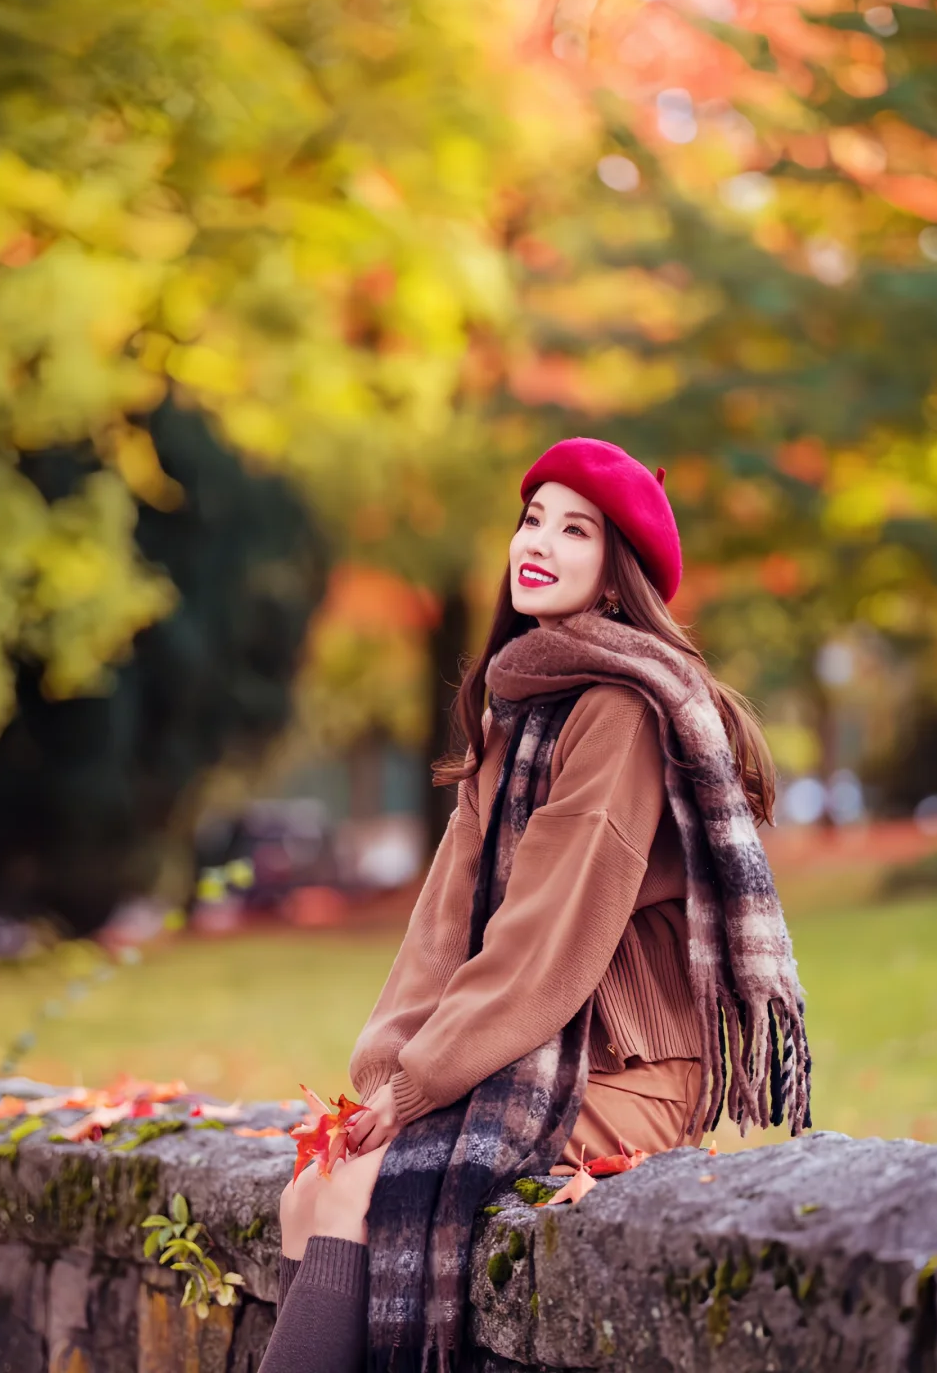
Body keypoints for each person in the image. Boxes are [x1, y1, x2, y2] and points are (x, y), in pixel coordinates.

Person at [259, 436, 812, 1373]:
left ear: (614, 576)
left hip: (629, 1071)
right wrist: (387, 1070)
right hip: (526, 1054)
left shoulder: (626, 711)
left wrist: (418, 1088)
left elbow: (545, 936)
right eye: (531, 519)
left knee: (363, 1196)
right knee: (313, 1187)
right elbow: (444, 918)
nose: (537, 541)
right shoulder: (514, 706)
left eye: (575, 529)